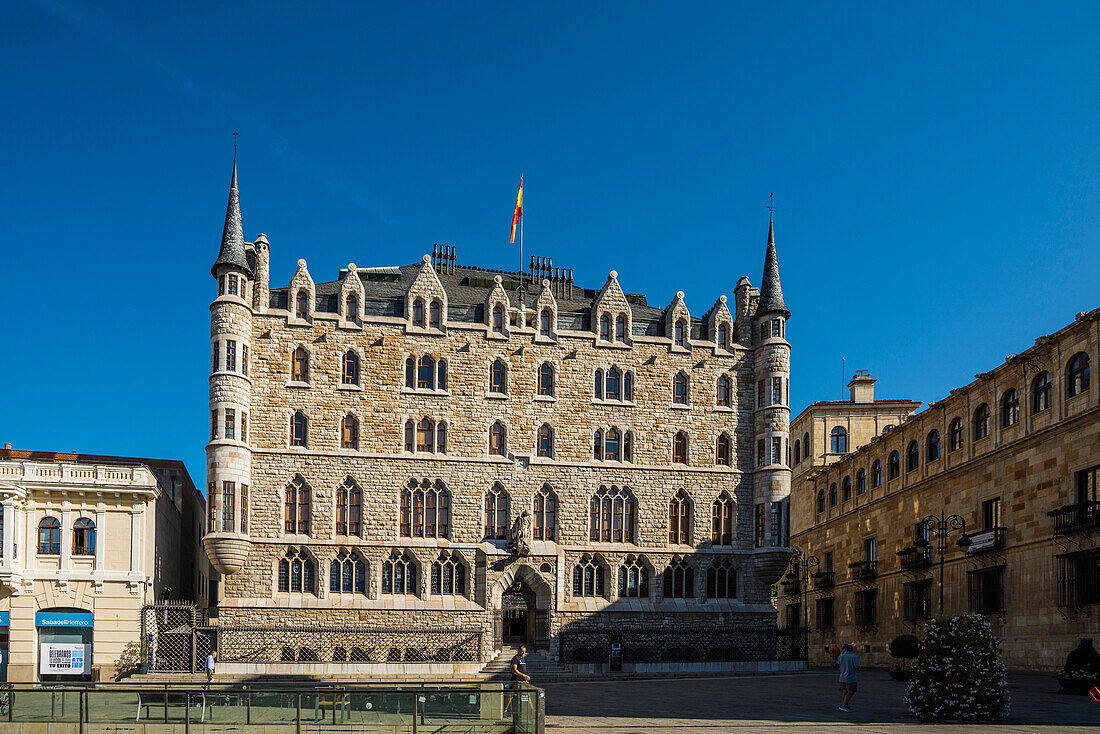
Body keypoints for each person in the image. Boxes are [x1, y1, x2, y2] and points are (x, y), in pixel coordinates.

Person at [837, 644, 860, 713]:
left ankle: (845, 705)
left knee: (844, 691)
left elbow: (837, 663)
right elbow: (857, 666)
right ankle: (844, 705)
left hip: (842, 676)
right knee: (851, 691)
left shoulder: (841, 656)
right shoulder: (853, 656)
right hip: (850, 677)